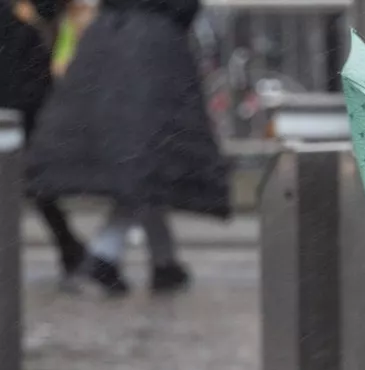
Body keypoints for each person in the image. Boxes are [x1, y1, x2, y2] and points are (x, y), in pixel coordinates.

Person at [23, 0, 229, 296]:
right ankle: (105, 257)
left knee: (142, 162)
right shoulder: (156, 27)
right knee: (146, 161)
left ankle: (162, 261)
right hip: (154, 52)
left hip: (106, 47)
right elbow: (185, 8)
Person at [0, 0, 87, 283]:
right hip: (22, 99)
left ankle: (69, 247)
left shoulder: (23, 20)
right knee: (35, 183)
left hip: (19, 97)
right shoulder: (22, 21)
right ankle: (69, 247)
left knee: (34, 182)